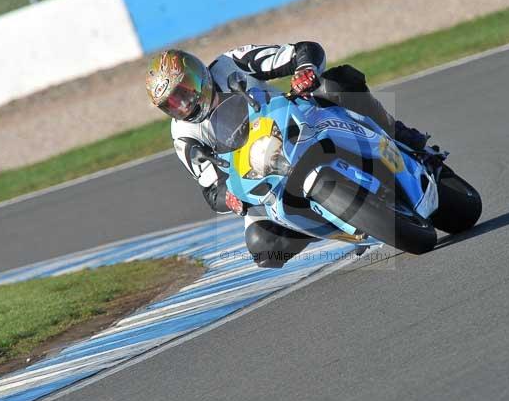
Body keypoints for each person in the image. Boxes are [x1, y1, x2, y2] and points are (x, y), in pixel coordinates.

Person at [145, 42, 429, 267]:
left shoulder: (230, 63)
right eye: (172, 103)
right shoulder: (183, 135)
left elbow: (303, 50)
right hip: (263, 172)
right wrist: (228, 197)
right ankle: (343, 225)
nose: (183, 103)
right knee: (263, 249)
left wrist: (304, 69)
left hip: (299, 121)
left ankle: (403, 136)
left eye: (183, 90)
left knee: (337, 83)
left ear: (196, 73)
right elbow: (210, 188)